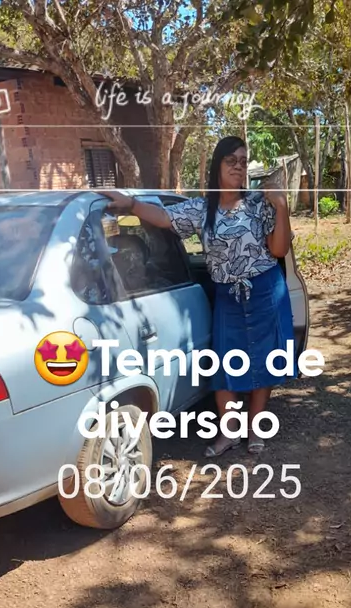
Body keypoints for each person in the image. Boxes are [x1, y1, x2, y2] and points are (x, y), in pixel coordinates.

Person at [101, 135, 295, 456]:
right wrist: (131, 204)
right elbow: (164, 218)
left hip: (264, 290)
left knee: (263, 363)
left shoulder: (260, 203)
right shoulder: (202, 209)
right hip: (228, 297)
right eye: (231, 161)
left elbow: (278, 249)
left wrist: (282, 206)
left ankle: (255, 427)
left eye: (243, 161)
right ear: (217, 165)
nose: (238, 167)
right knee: (226, 367)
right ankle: (229, 433)